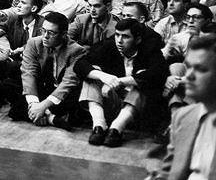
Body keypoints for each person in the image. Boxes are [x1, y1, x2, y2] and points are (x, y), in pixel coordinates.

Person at [75, 17, 168, 147]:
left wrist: (120, 81)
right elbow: (80, 64)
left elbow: (159, 74)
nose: (119, 40)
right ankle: (99, 126)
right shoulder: (110, 45)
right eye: (117, 35)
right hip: (113, 102)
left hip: (138, 111)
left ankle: (116, 129)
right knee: (92, 75)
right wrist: (104, 77)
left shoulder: (149, 50)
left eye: (125, 37)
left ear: (138, 39)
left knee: (142, 80)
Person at [147, 32, 216, 180]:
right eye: (189, 67)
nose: (189, 76)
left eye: (201, 69)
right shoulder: (183, 117)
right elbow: (168, 171)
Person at [10, 11, 86, 127]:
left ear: (64, 34)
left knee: (75, 102)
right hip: (42, 88)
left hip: (60, 93)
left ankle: (44, 114)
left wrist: (43, 106)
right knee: (13, 101)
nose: (45, 36)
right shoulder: (34, 43)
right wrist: (35, 105)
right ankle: (51, 118)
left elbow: (68, 83)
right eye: (43, 30)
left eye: (51, 33)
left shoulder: (76, 50)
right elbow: (29, 73)